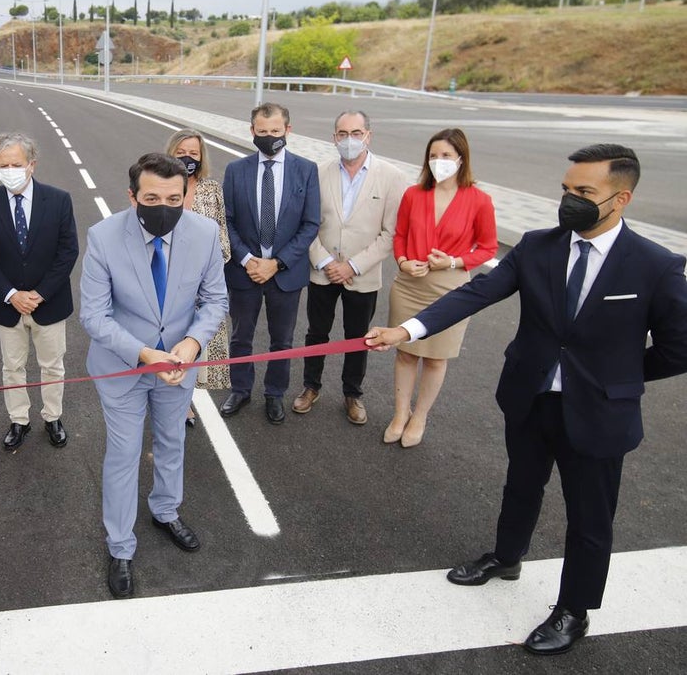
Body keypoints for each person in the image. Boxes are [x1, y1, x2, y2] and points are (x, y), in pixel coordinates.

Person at [366, 143, 687, 656]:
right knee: (521, 485)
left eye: (585, 192)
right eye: (566, 189)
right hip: (532, 395)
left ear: (620, 198)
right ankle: (507, 556)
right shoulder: (538, 246)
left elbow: (679, 347)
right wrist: (407, 330)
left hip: (600, 410)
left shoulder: (656, 265)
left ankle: (574, 610)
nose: (569, 200)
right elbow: (477, 293)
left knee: (590, 517)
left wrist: (620, 377)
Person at [80, 152, 228, 599]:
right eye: (151, 197)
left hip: (179, 367)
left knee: (172, 441)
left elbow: (215, 300)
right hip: (123, 366)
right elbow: (94, 316)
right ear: (132, 197)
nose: (163, 205)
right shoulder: (104, 237)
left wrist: (193, 343)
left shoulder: (204, 233)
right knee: (124, 454)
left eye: (173, 197)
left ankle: (166, 511)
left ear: (188, 195)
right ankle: (121, 545)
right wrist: (146, 354)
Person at [384, 128, 497, 447]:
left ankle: (419, 416)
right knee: (406, 352)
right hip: (409, 284)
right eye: (433, 156)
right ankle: (399, 413)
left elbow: (487, 248)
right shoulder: (413, 194)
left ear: (461, 158)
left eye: (446, 155)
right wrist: (403, 261)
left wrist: (452, 262)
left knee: (435, 358)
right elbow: (400, 235)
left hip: (450, 288)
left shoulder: (479, 200)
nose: (439, 161)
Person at [291, 111, 405, 426]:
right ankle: (310, 386)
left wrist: (352, 266)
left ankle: (352, 393)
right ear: (334, 138)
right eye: (342, 134)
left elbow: (390, 233)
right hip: (323, 272)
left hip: (363, 275)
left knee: (359, 336)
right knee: (317, 332)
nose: (349, 140)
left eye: (356, 133)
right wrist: (326, 261)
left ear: (368, 135)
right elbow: (307, 224)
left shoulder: (391, 176)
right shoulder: (318, 172)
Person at [0, 132, 79, 451]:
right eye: (3, 165)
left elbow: (67, 252)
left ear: (31, 165)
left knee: (52, 364)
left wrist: (39, 294)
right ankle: (19, 420)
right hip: (7, 306)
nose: (9, 170)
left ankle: (52, 416)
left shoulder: (59, 200)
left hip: (49, 303)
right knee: (12, 366)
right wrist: (11, 294)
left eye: (15, 164)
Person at [220, 102, 320, 424]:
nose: (269, 137)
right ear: (252, 132)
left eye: (275, 131)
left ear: (288, 131)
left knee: (283, 339)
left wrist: (276, 262)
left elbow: (310, 224)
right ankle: (240, 388)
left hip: (284, 273)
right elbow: (228, 221)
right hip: (244, 270)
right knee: (241, 335)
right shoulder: (236, 171)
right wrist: (249, 259)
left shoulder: (306, 170)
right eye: (262, 132)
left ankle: (275, 393)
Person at [166, 128, 230, 426]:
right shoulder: (163, 187)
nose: (187, 158)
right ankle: (176, 401)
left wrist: (209, 275)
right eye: (181, 153)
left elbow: (221, 236)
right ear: (171, 154)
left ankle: (188, 396)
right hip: (166, 282)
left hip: (203, 284)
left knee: (196, 342)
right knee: (171, 341)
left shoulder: (212, 189)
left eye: (193, 153)